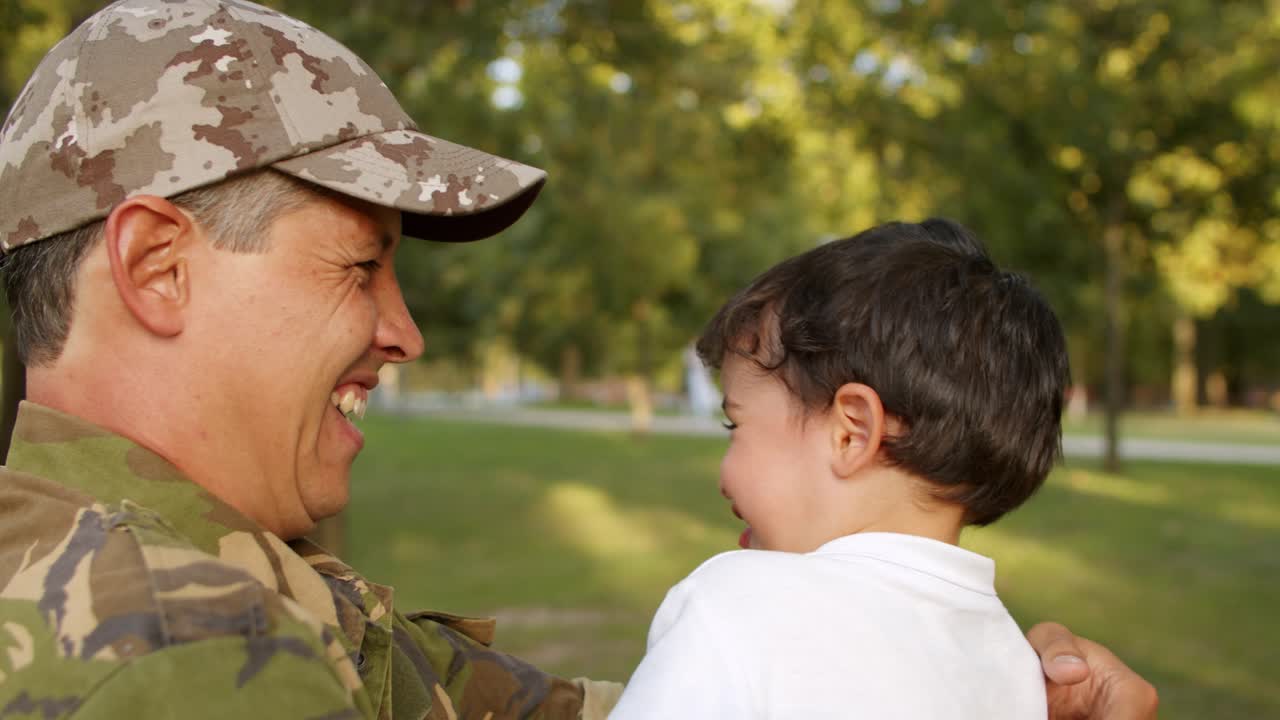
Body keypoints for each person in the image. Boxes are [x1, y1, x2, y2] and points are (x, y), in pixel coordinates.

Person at [0, 1, 1155, 718]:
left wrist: (910, 673)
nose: (405, 332)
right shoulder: (170, 649)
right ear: (157, 267)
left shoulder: (222, 572)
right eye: (359, 267)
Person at [611, 220, 1154, 719]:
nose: (722, 476)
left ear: (851, 432)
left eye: (736, 423)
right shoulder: (1020, 672)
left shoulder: (735, 604)